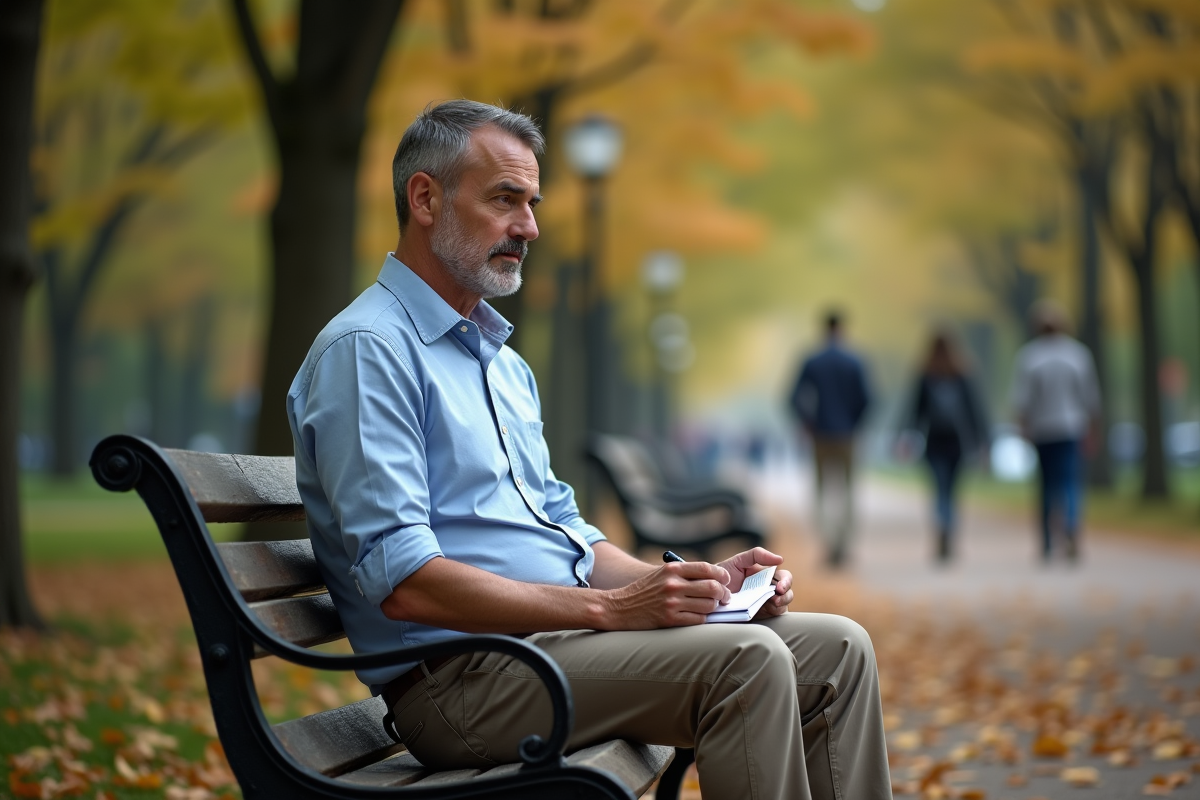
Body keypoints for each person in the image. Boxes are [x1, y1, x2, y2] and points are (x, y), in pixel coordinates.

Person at [287, 100, 892, 800]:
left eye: (533, 202)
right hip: (461, 683)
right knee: (747, 663)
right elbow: (405, 582)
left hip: (550, 651)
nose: (530, 227)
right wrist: (609, 611)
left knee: (841, 651)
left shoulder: (499, 363)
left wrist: (696, 591)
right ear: (425, 198)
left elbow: (566, 533)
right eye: (505, 199)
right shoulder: (369, 352)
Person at [1010, 300, 1101, 562]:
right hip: (1072, 427)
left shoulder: (1030, 356)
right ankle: (1071, 526)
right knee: (1071, 482)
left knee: (1046, 485)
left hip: (1042, 430)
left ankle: (1048, 541)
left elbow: (1022, 400)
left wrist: (1023, 428)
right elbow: (1090, 397)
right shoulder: (1078, 355)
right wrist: (1094, 428)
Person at [787, 311, 872, 568]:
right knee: (847, 491)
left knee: (822, 492)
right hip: (847, 435)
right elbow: (868, 399)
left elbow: (793, 397)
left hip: (820, 434)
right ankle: (843, 544)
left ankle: (828, 542)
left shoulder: (812, 361)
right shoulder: (855, 361)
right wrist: (854, 424)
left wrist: (808, 422)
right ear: (842, 329)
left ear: (824, 329)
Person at [903, 331, 989, 563]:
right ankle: (949, 532)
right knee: (952, 491)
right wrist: (984, 441)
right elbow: (975, 411)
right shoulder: (962, 373)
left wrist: (905, 437)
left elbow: (914, 411)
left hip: (934, 441)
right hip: (957, 442)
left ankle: (941, 524)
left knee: (939, 489)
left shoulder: (926, 374)